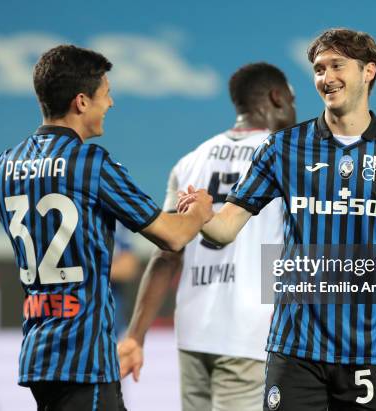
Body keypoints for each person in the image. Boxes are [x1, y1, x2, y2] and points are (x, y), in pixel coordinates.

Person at [178, 28, 376, 411]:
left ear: (368, 71)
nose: (326, 78)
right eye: (319, 69)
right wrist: (203, 216)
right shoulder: (282, 147)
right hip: (295, 349)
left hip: (370, 352)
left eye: (337, 65)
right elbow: (225, 228)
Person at [0, 44, 213, 411]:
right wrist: (200, 212)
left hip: (39, 357)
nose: (112, 103)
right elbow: (172, 235)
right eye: (106, 93)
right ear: (81, 102)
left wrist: (11, 204)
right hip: (84, 357)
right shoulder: (90, 163)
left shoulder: (7, 164)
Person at [118, 62, 296, 411]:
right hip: (250, 334)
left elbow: (166, 254)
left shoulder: (191, 161)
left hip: (194, 331)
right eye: (291, 100)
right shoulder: (288, 157)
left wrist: (135, 337)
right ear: (276, 98)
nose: (294, 109)